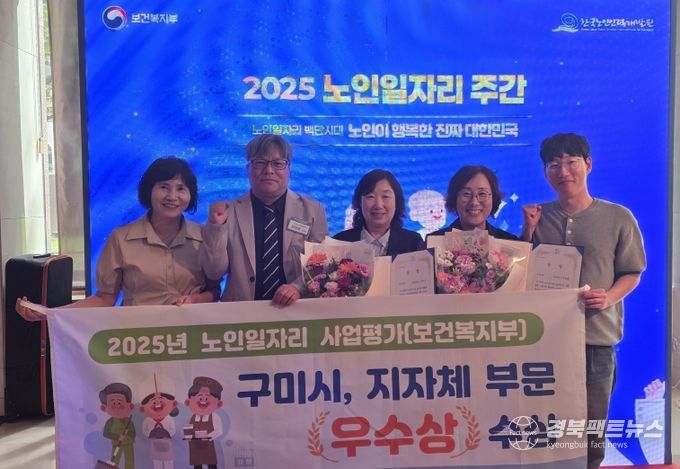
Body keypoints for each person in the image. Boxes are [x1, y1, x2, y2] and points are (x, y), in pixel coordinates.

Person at [521, 133, 646, 469]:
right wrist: (527, 232)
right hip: (545, 342)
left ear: (588, 165)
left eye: (571, 162)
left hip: (595, 342)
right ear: (545, 172)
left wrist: (608, 297)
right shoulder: (537, 216)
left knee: (591, 432)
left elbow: (632, 272)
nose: (563, 171)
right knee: (544, 428)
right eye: (554, 164)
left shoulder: (619, 217)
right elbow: (521, 273)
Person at [16, 157, 220, 320]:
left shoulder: (204, 236)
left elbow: (214, 291)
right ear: (149, 191)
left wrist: (195, 300)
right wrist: (52, 313)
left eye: (181, 188)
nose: (172, 196)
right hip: (137, 339)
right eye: (164, 187)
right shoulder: (121, 239)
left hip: (191, 339)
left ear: (191, 195)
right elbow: (104, 299)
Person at [200, 134, 328, 306]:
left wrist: (297, 288)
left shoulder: (312, 210)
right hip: (240, 312)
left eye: (278, 163)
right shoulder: (228, 211)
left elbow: (322, 262)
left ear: (289, 168)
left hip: (296, 310)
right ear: (248, 168)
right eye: (260, 162)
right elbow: (214, 273)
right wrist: (215, 228)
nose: (269, 170)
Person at [333, 169, 424, 255]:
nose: (378, 205)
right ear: (359, 202)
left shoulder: (413, 243)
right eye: (370, 196)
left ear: (397, 202)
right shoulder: (340, 243)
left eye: (385, 196)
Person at [428, 165, 518, 240]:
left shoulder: (509, 242)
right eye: (466, 194)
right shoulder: (433, 242)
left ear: (494, 198)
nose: (474, 202)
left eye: (482, 194)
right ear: (454, 198)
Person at [184, 376, 224, 469]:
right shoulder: (191, 417)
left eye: (207, 398)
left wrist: (208, 437)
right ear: (188, 402)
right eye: (199, 397)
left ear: (218, 404)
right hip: (195, 446)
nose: (203, 400)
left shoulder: (214, 417)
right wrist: (188, 437)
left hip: (208, 446)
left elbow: (219, 430)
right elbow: (187, 429)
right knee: (197, 466)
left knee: (211, 465)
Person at [99, 382, 136, 469]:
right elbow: (106, 433)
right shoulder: (110, 422)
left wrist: (129, 436)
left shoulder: (129, 421)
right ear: (104, 408)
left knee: (129, 460)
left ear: (130, 406)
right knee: (115, 461)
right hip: (116, 444)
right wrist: (117, 437)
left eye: (119, 402)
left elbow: (133, 433)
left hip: (128, 444)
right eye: (113, 403)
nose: (117, 405)